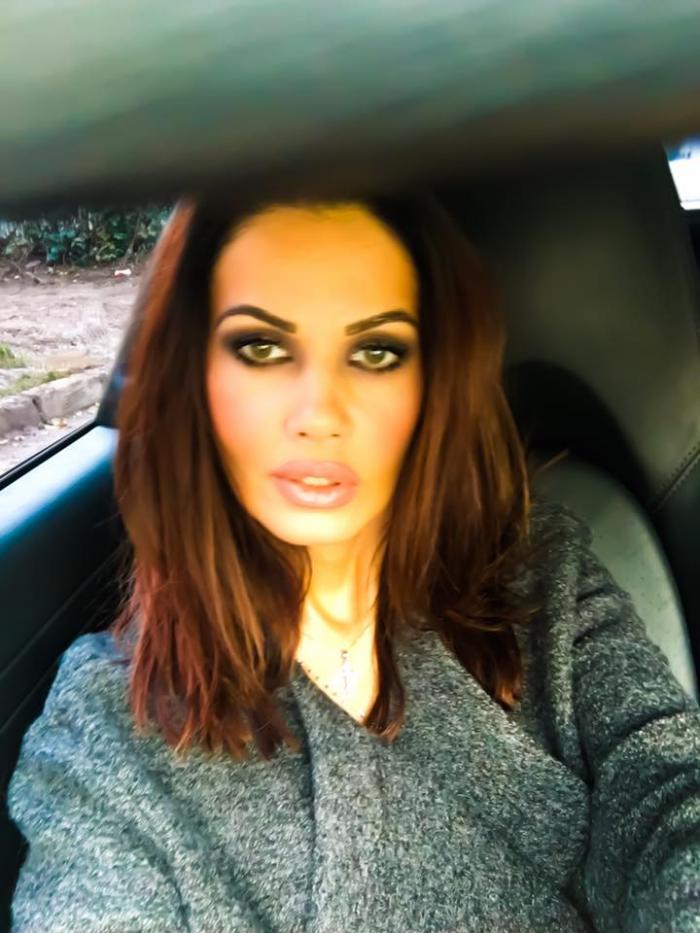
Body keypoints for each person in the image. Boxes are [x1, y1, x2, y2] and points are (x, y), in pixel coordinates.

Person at [7, 189, 700, 932]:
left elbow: (668, 790)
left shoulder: (544, 583)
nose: (320, 414)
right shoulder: (111, 719)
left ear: (431, 381)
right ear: (192, 376)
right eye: (262, 347)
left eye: (376, 352)